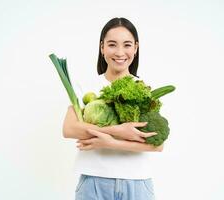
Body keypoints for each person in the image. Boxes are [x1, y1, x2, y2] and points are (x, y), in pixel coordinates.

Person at [63, 17, 163, 200]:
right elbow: (69, 129)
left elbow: (157, 145)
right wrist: (116, 130)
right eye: (112, 45)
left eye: (127, 45)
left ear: (136, 48)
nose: (119, 52)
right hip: (93, 182)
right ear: (102, 48)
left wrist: (109, 142)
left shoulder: (143, 89)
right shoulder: (85, 86)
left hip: (137, 183)